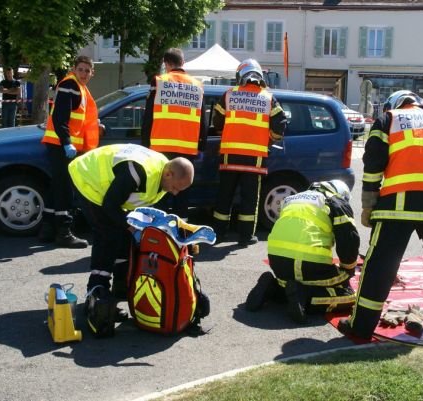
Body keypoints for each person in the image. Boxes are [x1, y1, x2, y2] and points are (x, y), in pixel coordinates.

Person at [338, 90, 423, 341]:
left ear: (392, 105)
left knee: (380, 265)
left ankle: (361, 325)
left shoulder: (389, 119)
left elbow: (373, 165)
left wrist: (368, 207)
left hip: (397, 204)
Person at [67, 143, 194, 297]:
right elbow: (110, 205)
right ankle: (97, 290)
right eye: (175, 188)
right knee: (108, 234)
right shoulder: (138, 172)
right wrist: (131, 226)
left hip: (112, 188)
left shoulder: (163, 172)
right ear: (168, 174)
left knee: (126, 237)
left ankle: (121, 286)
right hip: (87, 178)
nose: (174, 193)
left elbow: (141, 207)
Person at [245, 180, 360, 323]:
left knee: (290, 283)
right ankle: (305, 296)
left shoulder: (293, 199)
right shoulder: (335, 201)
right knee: (351, 297)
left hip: (277, 262)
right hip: (308, 263)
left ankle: (273, 287)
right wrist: (348, 268)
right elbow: (349, 239)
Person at [211, 58, 287, 247]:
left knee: (224, 197)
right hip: (255, 160)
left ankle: (218, 234)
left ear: (240, 75)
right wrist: (270, 138)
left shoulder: (229, 94)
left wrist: (227, 130)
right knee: (250, 199)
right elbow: (280, 125)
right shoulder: (268, 98)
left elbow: (217, 121)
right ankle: (245, 238)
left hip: (230, 157)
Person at [38, 55, 100, 248]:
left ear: (92, 72)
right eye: (80, 69)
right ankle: (64, 232)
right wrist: (66, 142)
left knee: (56, 185)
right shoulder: (70, 85)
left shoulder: (78, 87)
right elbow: (59, 118)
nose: (83, 73)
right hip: (61, 144)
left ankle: (47, 228)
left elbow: (77, 118)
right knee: (65, 189)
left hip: (60, 144)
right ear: (74, 69)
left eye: (87, 70)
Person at [141, 48, 205, 220]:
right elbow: (202, 119)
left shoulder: (160, 81)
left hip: (161, 147)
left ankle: (159, 230)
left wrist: (145, 143)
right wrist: (201, 145)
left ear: (166, 64)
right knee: (182, 191)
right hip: (187, 147)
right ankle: (180, 230)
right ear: (183, 63)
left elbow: (149, 115)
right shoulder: (197, 85)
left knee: (161, 189)